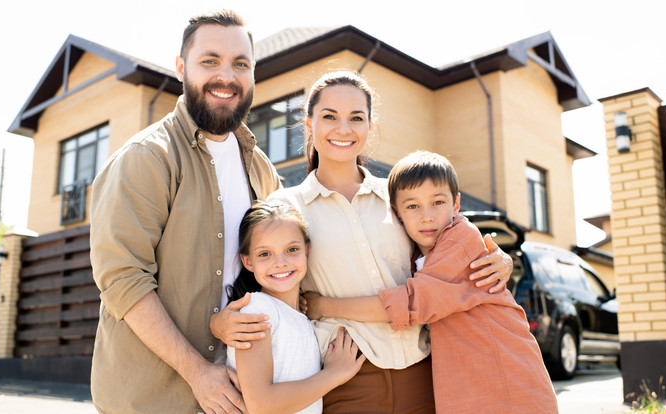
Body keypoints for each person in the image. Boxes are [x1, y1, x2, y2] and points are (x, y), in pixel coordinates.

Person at [211, 71, 514, 413]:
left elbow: (450, 247)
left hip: (424, 372)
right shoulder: (284, 206)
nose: (344, 129)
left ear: (370, 125)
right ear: (309, 123)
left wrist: (501, 260)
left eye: (356, 118)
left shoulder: (400, 197)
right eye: (329, 117)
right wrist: (218, 323)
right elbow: (256, 282)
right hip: (347, 380)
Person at [89, 10, 281, 414]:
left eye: (240, 64)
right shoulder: (148, 158)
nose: (226, 76)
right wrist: (198, 372)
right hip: (152, 401)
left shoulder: (260, 167)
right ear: (181, 67)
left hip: (239, 395)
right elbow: (123, 279)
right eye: (209, 61)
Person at [304, 151, 559, 413]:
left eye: (438, 202)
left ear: (456, 204)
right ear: (397, 213)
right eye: (413, 206)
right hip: (471, 381)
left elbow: (414, 303)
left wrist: (323, 306)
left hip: (505, 378)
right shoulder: (418, 254)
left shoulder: (460, 238)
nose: (427, 216)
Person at [225, 201, 365, 414]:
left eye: (292, 249)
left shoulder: (299, 317)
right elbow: (261, 404)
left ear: (307, 251)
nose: (280, 262)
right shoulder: (257, 309)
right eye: (265, 254)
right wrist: (333, 374)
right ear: (248, 262)